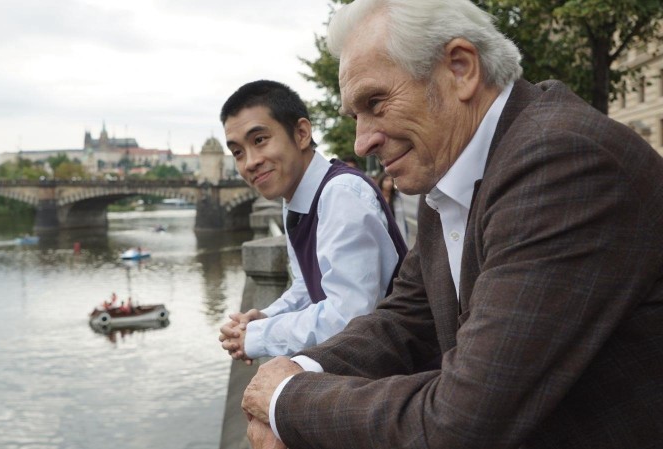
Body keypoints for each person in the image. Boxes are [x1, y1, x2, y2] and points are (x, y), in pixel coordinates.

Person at [240, 0, 663, 448]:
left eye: (376, 102)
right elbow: (405, 320)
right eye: (355, 115)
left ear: (460, 68)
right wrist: (302, 369)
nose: (363, 139)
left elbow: (462, 422)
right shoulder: (451, 171)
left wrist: (288, 401)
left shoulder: (562, 160)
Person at [219, 79, 408, 365]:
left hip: (397, 372)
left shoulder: (340, 194)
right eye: (237, 152)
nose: (250, 162)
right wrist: (268, 316)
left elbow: (350, 317)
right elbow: (308, 287)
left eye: (259, 140)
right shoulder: (295, 199)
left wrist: (259, 336)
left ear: (302, 133)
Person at [375, 172, 409, 243]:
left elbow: (401, 219)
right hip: (381, 231)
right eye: (386, 180)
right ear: (381, 181)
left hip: (395, 231)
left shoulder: (397, 198)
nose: (389, 183)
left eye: (391, 180)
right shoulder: (375, 197)